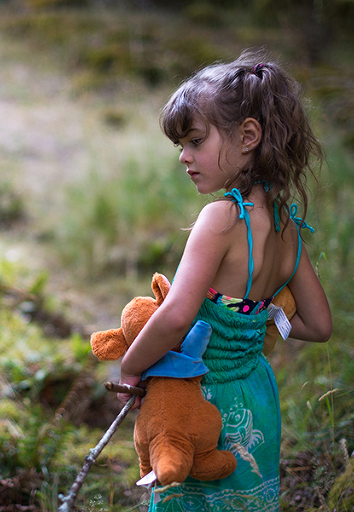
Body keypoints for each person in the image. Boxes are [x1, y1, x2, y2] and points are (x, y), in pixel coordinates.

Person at [117, 49, 332, 511]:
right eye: (181, 145)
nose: (184, 157)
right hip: (256, 396)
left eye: (194, 141)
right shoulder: (285, 225)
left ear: (248, 136)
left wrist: (132, 366)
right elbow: (318, 326)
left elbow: (176, 317)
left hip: (203, 401)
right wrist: (259, 319)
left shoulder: (220, 219)